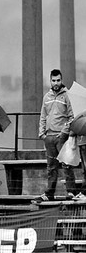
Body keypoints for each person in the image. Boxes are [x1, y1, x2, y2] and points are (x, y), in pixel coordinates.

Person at [35, 69, 76, 203]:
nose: (56, 83)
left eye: (58, 80)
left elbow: (72, 116)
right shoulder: (46, 97)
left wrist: (64, 132)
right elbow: (43, 116)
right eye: (54, 80)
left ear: (61, 80)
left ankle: (71, 191)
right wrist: (42, 134)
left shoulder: (67, 96)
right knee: (51, 167)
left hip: (61, 137)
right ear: (50, 81)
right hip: (49, 137)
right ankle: (49, 193)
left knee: (66, 164)